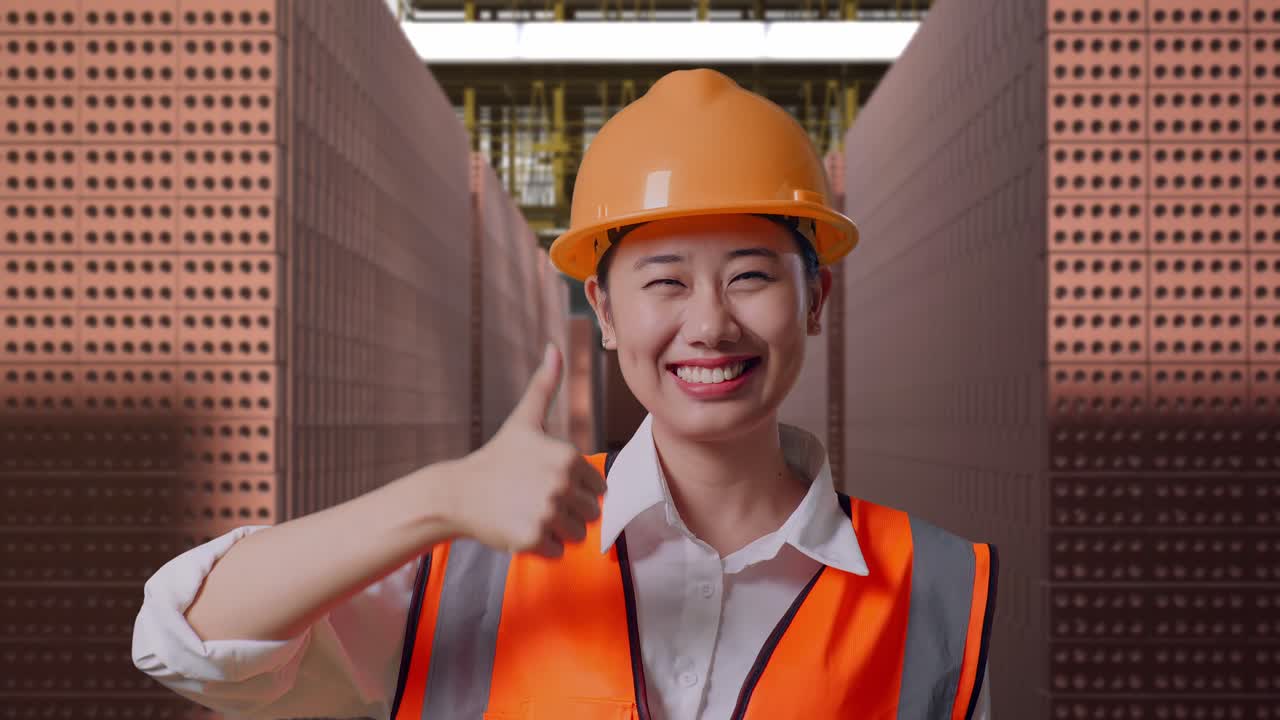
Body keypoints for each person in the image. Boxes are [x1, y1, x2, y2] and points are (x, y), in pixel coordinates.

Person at [132, 68, 996, 720]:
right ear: (605, 311)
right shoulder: (476, 557)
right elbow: (185, 640)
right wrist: (441, 497)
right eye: (664, 282)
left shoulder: (941, 585)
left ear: (813, 300)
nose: (709, 325)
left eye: (749, 276)